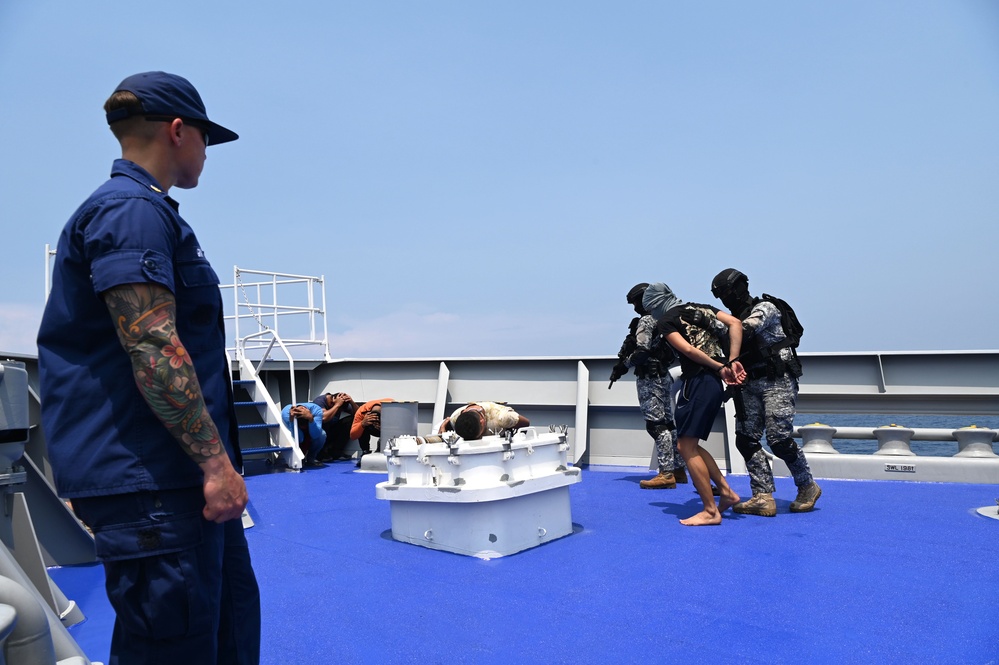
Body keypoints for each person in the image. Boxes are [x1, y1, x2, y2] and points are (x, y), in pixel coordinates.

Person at [36, 72, 260, 663]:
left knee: (226, 628)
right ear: (179, 131)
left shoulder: (144, 212)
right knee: (172, 645)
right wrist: (216, 465)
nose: (208, 152)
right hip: (155, 487)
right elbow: (153, 345)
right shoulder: (130, 213)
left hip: (174, 481)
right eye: (207, 138)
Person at [710, 268, 821, 516]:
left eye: (727, 292)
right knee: (746, 440)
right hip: (749, 384)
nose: (726, 298)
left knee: (779, 440)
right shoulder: (732, 319)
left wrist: (711, 321)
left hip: (776, 381)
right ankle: (762, 495)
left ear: (740, 287)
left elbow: (744, 329)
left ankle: (808, 486)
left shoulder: (766, 308)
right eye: (720, 296)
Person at [643, 282, 745, 526]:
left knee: (685, 446)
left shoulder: (666, 320)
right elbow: (736, 323)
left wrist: (720, 368)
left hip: (697, 383)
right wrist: (732, 361)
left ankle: (711, 511)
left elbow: (688, 350)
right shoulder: (702, 308)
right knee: (690, 444)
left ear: (656, 304)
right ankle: (726, 492)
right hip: (713, 384)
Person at [609, 283, 686, 489]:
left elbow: (642, 351)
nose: (635, 308)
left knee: (656, 425)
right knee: (668, 424)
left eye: (636, 302)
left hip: (650, 379)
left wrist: (623, 365)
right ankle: (678, 469)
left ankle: (666, 473)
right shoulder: (664, 319)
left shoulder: (646, 320)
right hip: (664, 375)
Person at [437, 402, 530, 440]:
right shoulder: (455, 419)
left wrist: (517, 440)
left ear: (482, 421)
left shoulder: (503, 418)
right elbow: (446, 425)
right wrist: (442, 433)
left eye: (479, 435)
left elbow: (526, 423)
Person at [311, 391, 358, 462]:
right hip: (319, 432)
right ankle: (320, 452)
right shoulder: (320, 401)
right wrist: (337, 405)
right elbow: (323, 418)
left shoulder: (340, 403)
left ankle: (336, 451)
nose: (339, 411)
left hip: (331, 431)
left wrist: (351, 401)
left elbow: (358, 414)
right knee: (322, 429)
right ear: (332, 402)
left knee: (351, 420)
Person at [281, 402, 328, 468]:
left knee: (322, 435)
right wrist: (292, 421)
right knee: (298, 437)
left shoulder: (317, 410)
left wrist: (311, 419)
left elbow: (316, 435)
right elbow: (299, 439)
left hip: (311, 424)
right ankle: (298, 457)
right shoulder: (286, 414)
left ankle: (311, 459)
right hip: (294, 427)